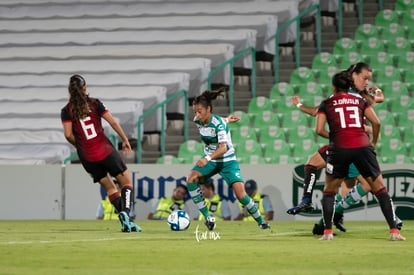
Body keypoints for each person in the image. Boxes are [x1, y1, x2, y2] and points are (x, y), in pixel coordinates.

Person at [286, 62, 402, 233]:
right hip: (356, 144)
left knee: (353, 185)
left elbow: (378, 101)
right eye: (365, 78)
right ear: (353, 75)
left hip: (348, 144)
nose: (367, 82)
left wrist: (375, 93)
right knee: (353, 184)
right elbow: (377, 104)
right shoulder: (352, 95)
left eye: (368, 79)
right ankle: (327, 217)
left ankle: (323, 219)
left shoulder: (355, 95)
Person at [316, 70, 405, 241]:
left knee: (329, 192)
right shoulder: (360, 101)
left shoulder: (326, 103)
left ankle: (327, 232)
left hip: (339, 148)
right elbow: (376, 122)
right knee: (380, 189)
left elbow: (319, 130)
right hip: (363, 146)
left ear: (333, 87)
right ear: (350, 85)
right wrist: (373, 143)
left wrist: (336, 136)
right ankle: (394, 231)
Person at [61, 74, 141, 233]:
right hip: (104, 150)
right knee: (126, 183)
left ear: (69, 91)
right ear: (85, 88)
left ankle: (126, 222)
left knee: (111, 189)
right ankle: (126, 214)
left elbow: (68, 135)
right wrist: (124, 139)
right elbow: (112, 121)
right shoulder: (94, 103)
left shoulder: (66, 110)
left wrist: (82, 145)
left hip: (87, 157)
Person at [186, 89, 270, 231]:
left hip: (227, 162)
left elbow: (223, 148)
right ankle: (208, 217)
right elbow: (217, 121)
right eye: (195, 112)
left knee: (241, 195)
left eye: (199, 111)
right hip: (212, 161)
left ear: (208, 109)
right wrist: (227, 119)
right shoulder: (199, 121)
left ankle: (262, 222)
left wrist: (207, 158)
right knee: (191, 180)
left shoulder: (219, 124)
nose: (197, 115)